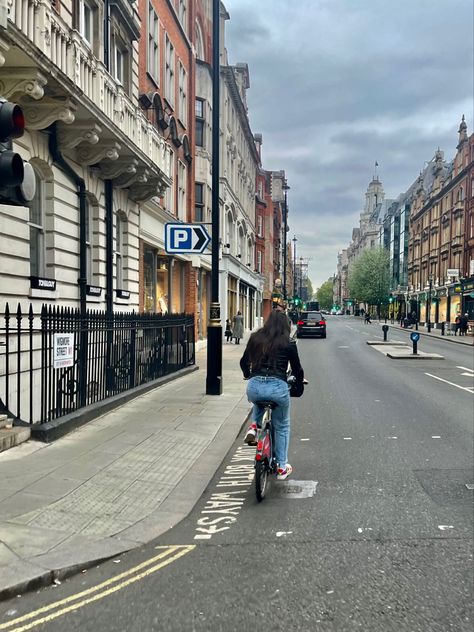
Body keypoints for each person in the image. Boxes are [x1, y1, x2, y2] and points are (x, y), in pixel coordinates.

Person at [239, 310, 304, 481]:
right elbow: (297, 369)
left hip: (255, 386)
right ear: (286, 326)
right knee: (282, 425)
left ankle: (254, 426)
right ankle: (282, 466)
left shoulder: (255, 338)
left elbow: (243, 361)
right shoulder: (288, 343)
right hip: (277, 387)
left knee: (259, 399)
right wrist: (298, 386)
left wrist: (247, 374)